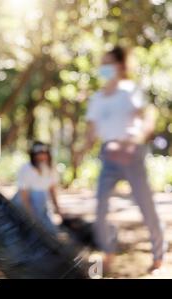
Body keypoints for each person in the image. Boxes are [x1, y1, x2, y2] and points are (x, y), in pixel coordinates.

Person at [84, 46, 166, 273]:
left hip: (132, 155)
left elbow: (148, 116)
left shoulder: (130, 91)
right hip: (109, 155)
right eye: (102, 63)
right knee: (100, 206)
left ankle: (158, 255)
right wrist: (84, 146)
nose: (104, 67)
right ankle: (108, 251)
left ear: (120, 66)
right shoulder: (97, 98)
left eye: (108, 63)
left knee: (145, 205)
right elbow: (91, 130)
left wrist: (136, 139)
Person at [11, 142, 63, 235]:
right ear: (33, 155)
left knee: (52, 232)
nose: (42, 156)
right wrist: (31, 218)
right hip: (24, 206)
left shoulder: (51, 169)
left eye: (44, 153)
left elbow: (52, 190)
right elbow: (24, 197)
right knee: (38, 195)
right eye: (38, 154)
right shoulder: (25, 169)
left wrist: (58, 210)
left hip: (41, 208)